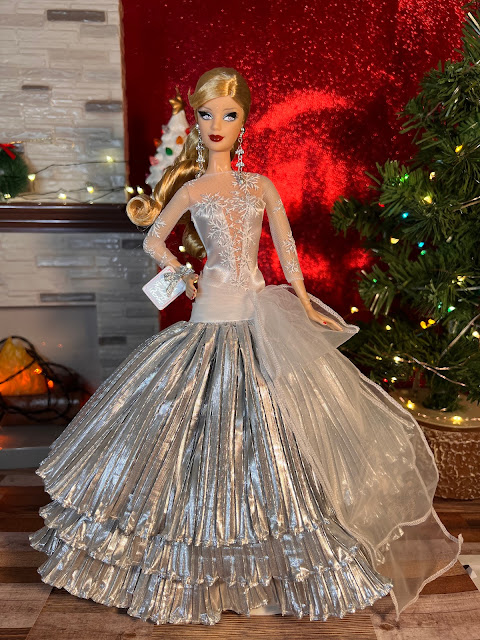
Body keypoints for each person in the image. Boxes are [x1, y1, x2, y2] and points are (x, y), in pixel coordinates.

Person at [29, 67, 463, 626]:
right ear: (196, 122)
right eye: (206, 114)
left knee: (274, 429)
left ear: (243, 124)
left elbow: (285, 246)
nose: (216, 124)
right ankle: (188, 548)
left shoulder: (260, 186)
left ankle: (280, 552)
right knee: (188, 422)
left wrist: (303, 300)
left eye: (228, 115)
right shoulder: (191, 189)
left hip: (257, 313)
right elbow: (154, 238)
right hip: (211, 313)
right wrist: (182, 274)